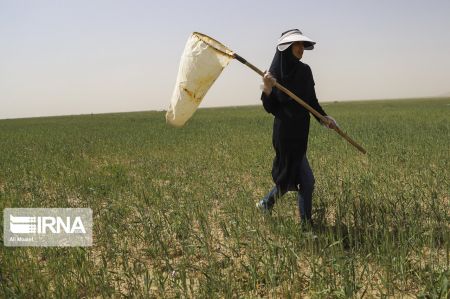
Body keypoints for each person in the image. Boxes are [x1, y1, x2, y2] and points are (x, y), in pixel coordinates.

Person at [256, 29, 337, 227]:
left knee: (290, 175)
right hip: (284, 135)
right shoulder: (273, 75)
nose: (301, 48)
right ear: (286, 48)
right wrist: (267, 88)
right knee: (307, 181)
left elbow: (311, 101)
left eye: (302, 45)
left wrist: (324, 118)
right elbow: (271, 108)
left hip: (301, 133)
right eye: (296, 45)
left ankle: (265, 203)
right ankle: (306, 227)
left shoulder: (305, 71)